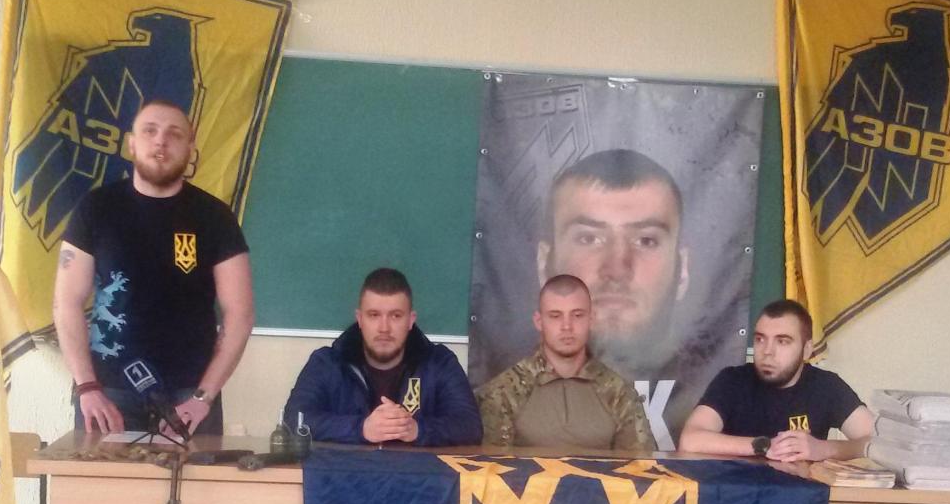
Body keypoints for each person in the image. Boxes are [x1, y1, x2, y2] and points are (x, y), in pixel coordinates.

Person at [53, 99, 254, 437]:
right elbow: (66, 303)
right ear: (132, 143)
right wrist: (86, 386)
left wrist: (203, 397)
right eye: (150, 131)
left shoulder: (215, 217)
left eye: (175, 134)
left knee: (195, 476)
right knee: (100, 476)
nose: (161, 141)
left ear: (190, 148)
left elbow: (241, 314)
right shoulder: (96, 209)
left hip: (190, 396)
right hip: (107, 394)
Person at [537, 149, 689, 382]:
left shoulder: (718, 394)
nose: (617, 271)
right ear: (543, 265)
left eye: (646, 241)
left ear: (683, 272)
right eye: (588, 239)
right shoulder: (499, 396)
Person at [284, 268, 482, 446]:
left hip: (418, 474)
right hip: (347, 473)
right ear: (360, 319)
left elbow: (470, 426)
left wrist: (417, 429)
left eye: (395, 316)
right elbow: (293, 420)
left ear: (410, 320)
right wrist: (361, 429)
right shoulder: (327, 362)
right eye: (374, 315)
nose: (384, 328)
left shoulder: (439, 362)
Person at [678, 299, 874, 462]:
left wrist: (824, 449)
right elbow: (690, 440)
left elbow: (877, 442)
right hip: (737, 493)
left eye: (782, 341)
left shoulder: (826, 386)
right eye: (760, 339)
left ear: (806, 350)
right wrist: (764, 446)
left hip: (801, 495)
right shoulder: (732, 381)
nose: (768, 351)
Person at [476, 275, 653, 451]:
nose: (567, 326)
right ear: (539, 322)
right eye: (555, 316)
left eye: (577, 315)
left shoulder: (619, 393)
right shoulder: (504, 392)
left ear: (591, 319)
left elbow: (639, 464)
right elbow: (491, 465)